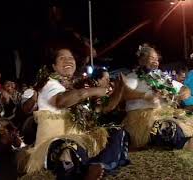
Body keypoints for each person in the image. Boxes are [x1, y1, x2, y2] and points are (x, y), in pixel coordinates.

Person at [20, 48, 129, 180]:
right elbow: (61, 101)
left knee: (116, 131)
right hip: (54, 143)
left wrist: (120, 90)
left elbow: (104, 109)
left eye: (71, 58)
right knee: (68, 148)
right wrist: (92, 91)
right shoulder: (49, 83)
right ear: (54, 66)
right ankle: (80, 170)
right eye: (62, 58)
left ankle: (99, 165)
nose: (68, 60)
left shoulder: (76, 87)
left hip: (79, 138)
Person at [104, 43, 193, 150]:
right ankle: (183, 141)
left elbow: (184, 88)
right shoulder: (133, 77)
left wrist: (183, 93)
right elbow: (125, 93)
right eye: (151, 58)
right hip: (142, 118)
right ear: (141, 60)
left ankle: (188, 137)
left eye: (157, 59)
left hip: (165, 113)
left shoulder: (162, 77)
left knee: (191, 118)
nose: (155, 61)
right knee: (164, 128)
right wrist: (145, 95)